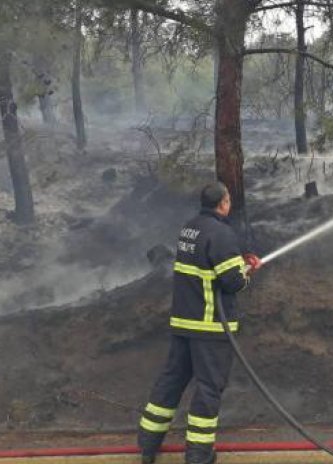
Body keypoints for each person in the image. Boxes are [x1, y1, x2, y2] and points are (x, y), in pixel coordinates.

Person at [137, 182, 261, 464]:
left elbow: (208, 267)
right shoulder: (221, 233)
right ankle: (198, 454)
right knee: (208, 388)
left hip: (184, 321)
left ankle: (147, 445)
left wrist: (238, 263)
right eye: (228, 199)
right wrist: (247, 272)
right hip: (209, 326)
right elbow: (232, 282)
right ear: (223, 203)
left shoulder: (190, 228)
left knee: (171, 381)